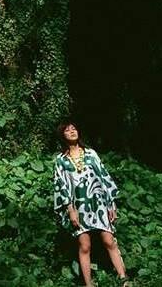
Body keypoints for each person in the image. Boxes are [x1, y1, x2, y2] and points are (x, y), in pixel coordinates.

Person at [52, 122, 129, 286]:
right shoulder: (61, 160)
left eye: (74, 128)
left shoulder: (91, 154)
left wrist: (111, 205)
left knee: (109, 240)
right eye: (67, 130)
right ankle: (88, 284)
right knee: (85, 245)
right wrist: (70, 210)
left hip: (99, 204)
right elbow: (61, 187)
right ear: (62, 136)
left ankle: (124, 279)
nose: (72, 132)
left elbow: (104, 178)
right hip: (79, 207)